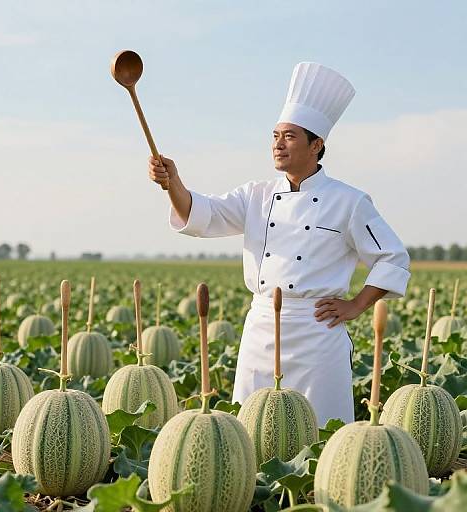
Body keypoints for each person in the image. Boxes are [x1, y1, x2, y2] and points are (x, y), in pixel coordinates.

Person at [147, 62, 410, 425]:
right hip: (261, 330)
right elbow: (200, 213)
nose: (277, 144)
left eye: (288, 136)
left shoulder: (349, 201)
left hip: (318, 334)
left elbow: (393, 259)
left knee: (322, 432)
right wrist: (172, 183)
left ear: (316, 145)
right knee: (253, 429)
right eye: (274, 135)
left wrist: (357, 305)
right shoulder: (255, 195)